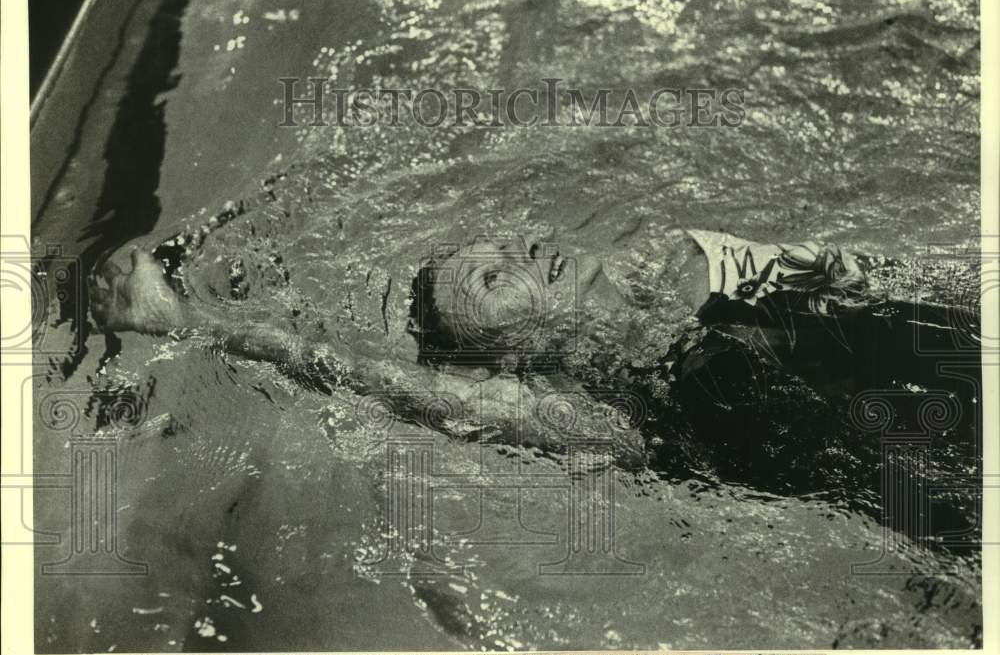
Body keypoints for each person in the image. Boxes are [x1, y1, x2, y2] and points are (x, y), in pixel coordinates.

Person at [89, 228, 900, 471]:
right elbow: (368, 378)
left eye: (507, 244)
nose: (533, 248)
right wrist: (185, 317)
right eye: (489, 277)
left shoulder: (683, 276)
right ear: (504, 364)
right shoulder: (602, 419)